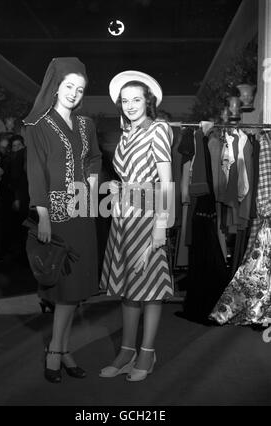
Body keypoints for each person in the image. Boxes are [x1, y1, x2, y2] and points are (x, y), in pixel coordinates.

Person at [24, 57, 102, 383]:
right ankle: (56, 350)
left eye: (79, 89)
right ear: (56, 87)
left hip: (82, 213)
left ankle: (63, 348)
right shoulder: (38, 126)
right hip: (56, 216)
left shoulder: (87, 125)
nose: (73, 93)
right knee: (66, 289)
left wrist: (93, 184)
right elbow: (36, 173)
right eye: (69, 86)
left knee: (77, 288)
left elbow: (95, 157)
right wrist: (42, 214)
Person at [100, 71, 174, 382]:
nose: (130, 105)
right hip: (124, 217)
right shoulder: (126, 133)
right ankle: (126, 351)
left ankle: (147, 353)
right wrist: (119, 189)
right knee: (129, 289)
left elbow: (166, 182)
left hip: (149, 216)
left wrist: (160, 228)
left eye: (136, 99)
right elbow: (128, 175)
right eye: (125, 100)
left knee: (151, 287)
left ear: (148, 102)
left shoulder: (158, 129)